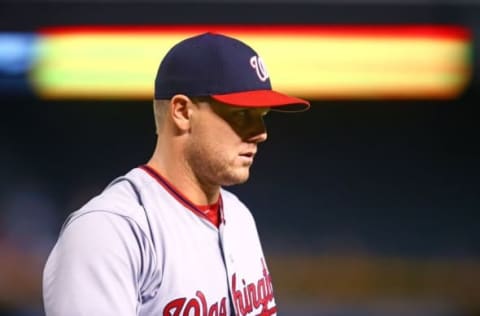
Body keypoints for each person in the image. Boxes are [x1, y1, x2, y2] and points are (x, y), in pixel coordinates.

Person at [42, 32, 310, 316]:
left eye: (262, 116)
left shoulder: (239, 217)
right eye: (242, 115)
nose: (261, 133)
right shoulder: (109, 231)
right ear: (182, 112)